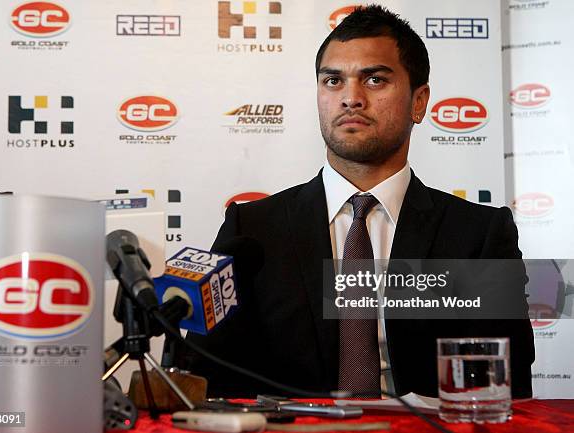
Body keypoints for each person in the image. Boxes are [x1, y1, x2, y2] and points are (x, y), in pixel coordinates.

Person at [180, 5, 534, 399]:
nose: (351, 98)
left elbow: (504, 385)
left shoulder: (478, 236)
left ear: (420, 101)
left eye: (375, 79)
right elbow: (204, 378)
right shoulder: (252, 231)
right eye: (333, 81)